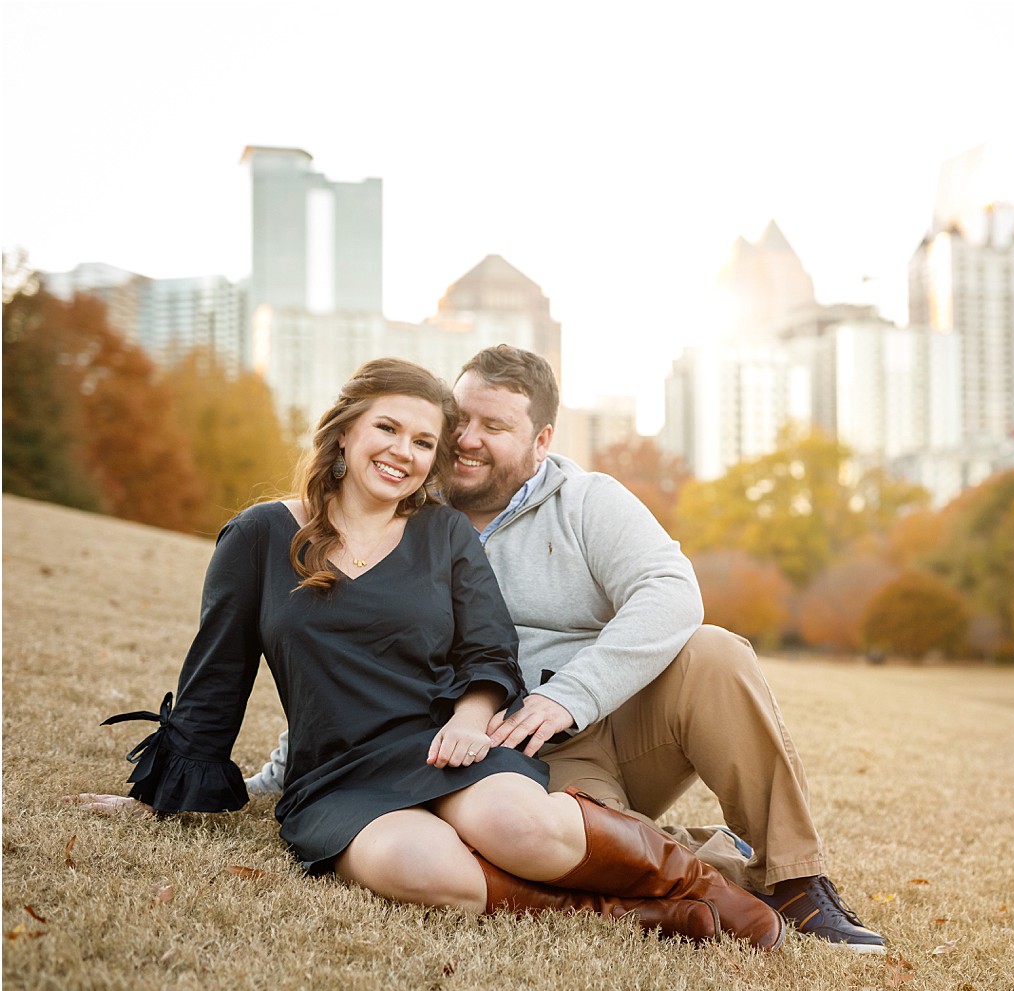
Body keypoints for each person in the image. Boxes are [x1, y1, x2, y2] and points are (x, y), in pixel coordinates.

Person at [80, 358, 784, 951]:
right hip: (338, 776)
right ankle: (638, 914)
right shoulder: (260, 537)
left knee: (520, 829)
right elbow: (216, 679)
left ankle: (695, 883)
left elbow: (489, 649)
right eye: (386, 428)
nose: (403, 452)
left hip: (447, 743)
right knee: (429, 872)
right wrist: (161, 797)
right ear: (345, 431)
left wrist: (472, 718)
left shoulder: (443, 532)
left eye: (423, 441)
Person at [246, 344, 886, 952]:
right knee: (565, 857)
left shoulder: (586, 501)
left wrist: (570, 696)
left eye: (494, 426)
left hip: (617, 717)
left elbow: (670, 589)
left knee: (714, 652)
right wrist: (280, 773)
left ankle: (796, 880)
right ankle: (703, 860)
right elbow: (347, 662)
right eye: (459, 418)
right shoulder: (403, 510)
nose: (466, 439)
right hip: (518, 756)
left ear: (541, 440)